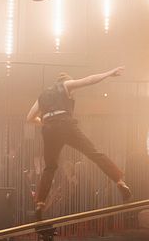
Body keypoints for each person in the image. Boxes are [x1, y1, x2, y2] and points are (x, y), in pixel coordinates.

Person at [26, 66, 131, 220]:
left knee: (50, 167)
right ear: (66, 81)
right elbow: (89, 80)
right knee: (93, 153)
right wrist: (108, 73)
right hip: (65, 124)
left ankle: (40, 203)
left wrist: (46, 122)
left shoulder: (42, 96)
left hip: (48, 128)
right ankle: (120, 182)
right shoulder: (65, 84)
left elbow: (29, 118)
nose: (73, 93)